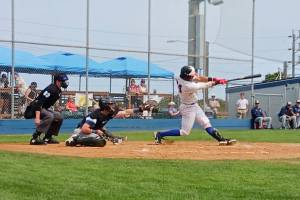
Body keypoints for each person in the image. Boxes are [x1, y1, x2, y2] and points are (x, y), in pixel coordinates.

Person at [153, 65, 236, 145]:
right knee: (185, 132)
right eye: (192, 76)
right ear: (188, 77)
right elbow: (206, 84)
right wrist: (217, 82)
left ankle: (221, 140)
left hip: (194, 106)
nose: (194, 76)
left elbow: (199, 78)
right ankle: (159, 134)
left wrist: (214, 79)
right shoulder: (189, 86)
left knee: (206, 123)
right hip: (188, 108)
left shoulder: (179, 77)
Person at [65, 97, 152, 147]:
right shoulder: (95, 115)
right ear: (105, 106)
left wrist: (141, 109)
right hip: (81, 131)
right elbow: (84, 128)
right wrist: (95, 131)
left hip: (91, 131)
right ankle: (75, 139)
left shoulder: (110, 113)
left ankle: (81, 140)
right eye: (110, 104)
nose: (113, 106)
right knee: (100, 141)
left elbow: (126, 112)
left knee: (103, 131)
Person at [27, 73, 69, 145]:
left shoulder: (58, 90)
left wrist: (58, 108)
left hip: (43, 108)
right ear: (58, 81)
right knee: (50, 116)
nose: (65, 83)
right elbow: (39, 102)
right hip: (34, 108)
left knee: (59, 117)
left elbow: (49, 103)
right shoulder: (51, 89)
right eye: (63, 81)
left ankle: (48, 137)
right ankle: (35, 138)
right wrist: (37, 117)